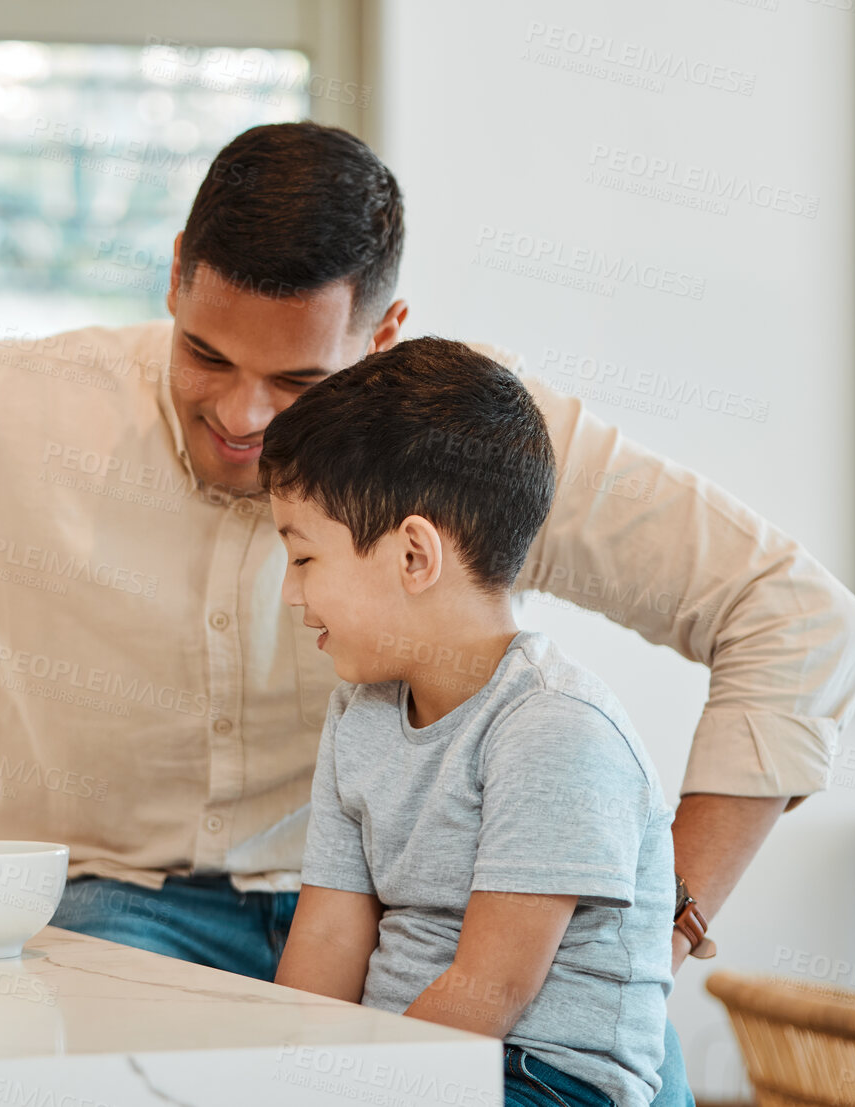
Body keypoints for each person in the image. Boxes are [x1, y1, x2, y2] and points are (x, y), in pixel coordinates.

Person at [0, 122, 855, 1104]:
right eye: (205, 355)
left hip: (432, 925)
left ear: (386, 332)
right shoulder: (11, 413)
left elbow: (797, 616)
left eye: (297, 380)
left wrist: (669, 912)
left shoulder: (472, 438)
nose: (241, 416)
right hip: (121, 904)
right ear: (176, 271)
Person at [266, 338, 672, 1107]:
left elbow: (491, 989)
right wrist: (290, 1075)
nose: (291, 594)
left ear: (414, 555)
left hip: (536, 1076)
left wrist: (352, 1090)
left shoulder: (553, 726)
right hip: (412, 1064)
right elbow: (325, 936)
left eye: (304, 559)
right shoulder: (360, 712)